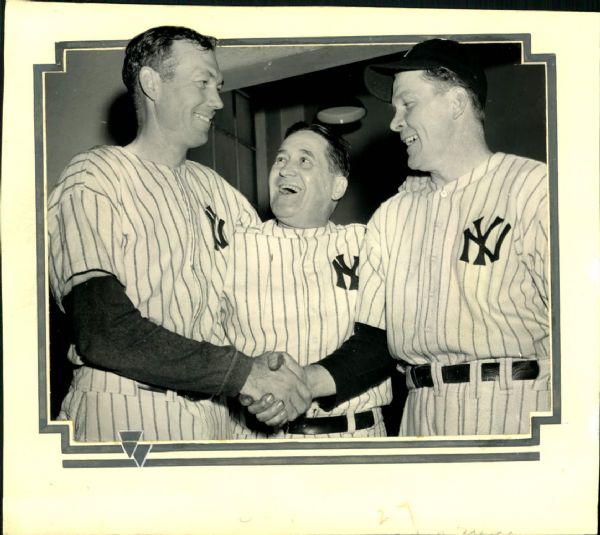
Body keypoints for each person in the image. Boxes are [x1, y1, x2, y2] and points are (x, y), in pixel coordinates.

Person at [251, 38, 551, 437]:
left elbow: (585, 332)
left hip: (516, 408)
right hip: (420, 416)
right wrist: (304, 381)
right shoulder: (393, 215)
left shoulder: (534, 188)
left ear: (456, 103)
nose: (394, 123)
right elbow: (375, 339)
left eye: (408, 105)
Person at [47, 25, 310, 442]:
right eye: (202, 83)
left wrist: (275, 375)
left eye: (218, 85)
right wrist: (243, 373)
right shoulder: (95, 176)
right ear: (152, 83)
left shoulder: (220, 193)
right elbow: (103, 330)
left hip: (215, 419)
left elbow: (262, 304)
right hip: (126, 413)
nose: (217, 100)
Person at [220, 122, 394, 439]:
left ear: (336, 187)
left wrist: (303, 383)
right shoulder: (234, 247)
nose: (285, 170)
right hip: (258, 441)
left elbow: (385, 340)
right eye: (281, 159)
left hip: (355, 438)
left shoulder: (366, 243)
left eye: (304, 161)